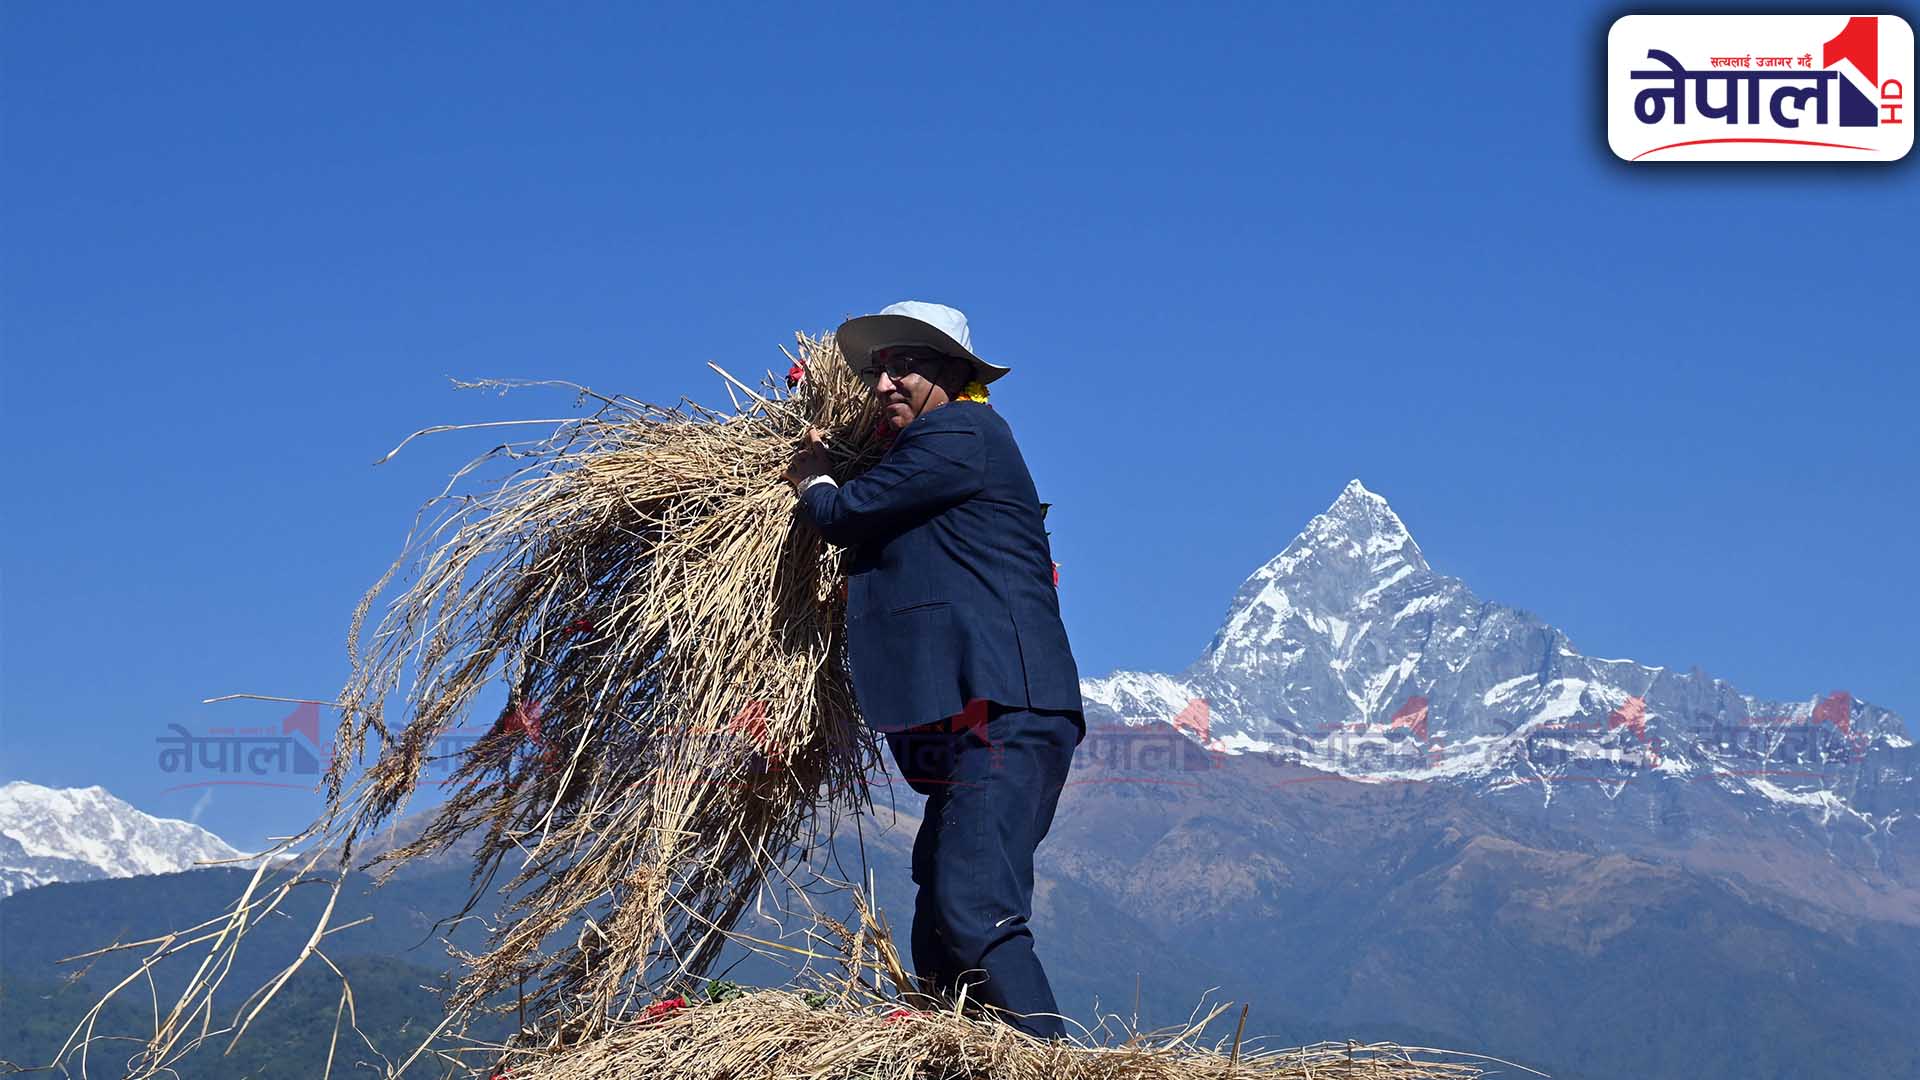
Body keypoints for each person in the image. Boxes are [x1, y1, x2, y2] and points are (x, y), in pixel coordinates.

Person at [784, 300, 1084, 1041]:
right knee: (938, 922)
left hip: (1006, 704)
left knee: (974, 904)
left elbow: (846, 516)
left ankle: (1045, 1060)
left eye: (905, 365)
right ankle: (963, 1050)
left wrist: (814, 476)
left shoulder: (961, 432)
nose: (885, 382)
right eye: (878, 369)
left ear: (953, 374)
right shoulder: (935, 454)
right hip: (972, 719)